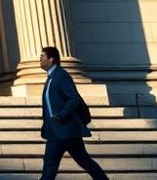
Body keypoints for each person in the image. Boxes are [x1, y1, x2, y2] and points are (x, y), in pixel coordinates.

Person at [39, 46, 109, 180]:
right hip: (56, 131)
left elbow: (73, 98)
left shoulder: (61, 75)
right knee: (50, 165)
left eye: (42, 57)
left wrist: (61, 115)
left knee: (81, 161)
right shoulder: (51, 77)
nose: (40, 60)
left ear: (51, 59)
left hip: (66, 130)